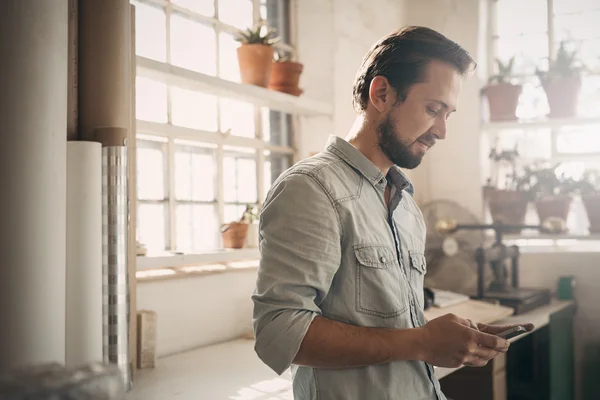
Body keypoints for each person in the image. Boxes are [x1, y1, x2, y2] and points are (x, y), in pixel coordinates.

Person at [252, 26, 533, 400]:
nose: (442, 131)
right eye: (433, 109)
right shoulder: (311, 188)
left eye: (448, 114)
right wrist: (421, 343)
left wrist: (451, 339)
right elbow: (278, 334)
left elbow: (393, 330)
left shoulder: (405, 205)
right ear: (381, 94)